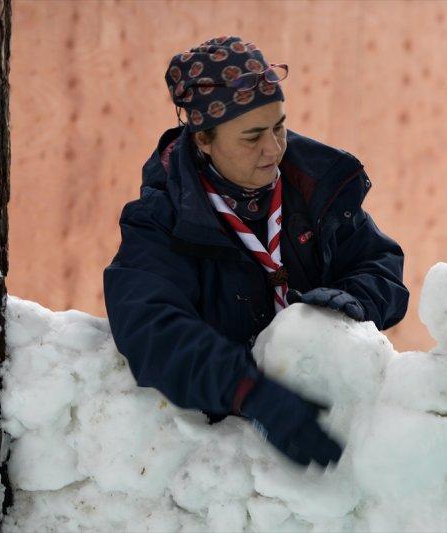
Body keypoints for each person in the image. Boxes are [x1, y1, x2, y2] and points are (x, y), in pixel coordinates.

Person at [103, 36, 409, 468]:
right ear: (204, 140)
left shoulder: (317, 187)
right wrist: (250, 391)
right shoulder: (161, 221)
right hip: (225, 459)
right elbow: (150, 326)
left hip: (338, 422)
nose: (274, 149)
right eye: (252, 137)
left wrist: (350, 303)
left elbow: (382, 266)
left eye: (279, 126)